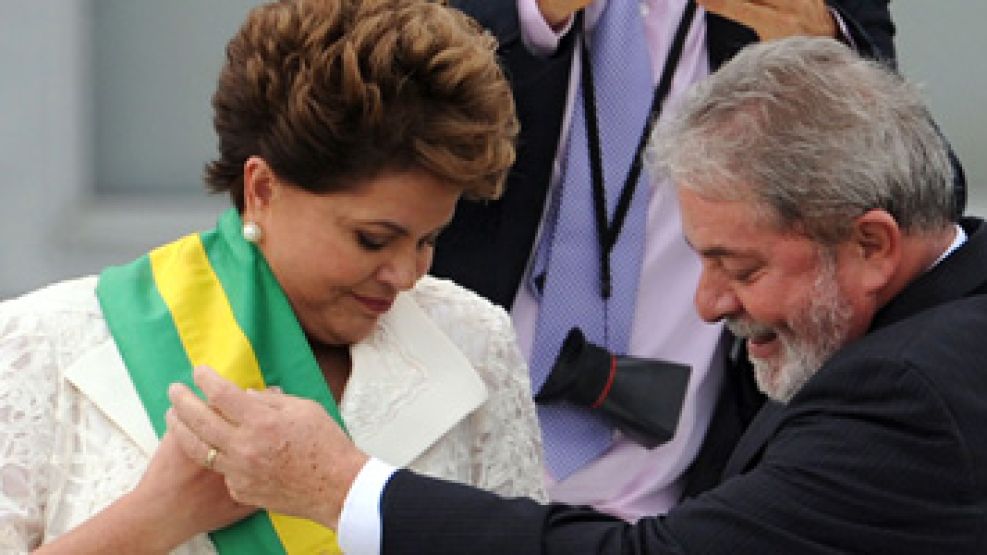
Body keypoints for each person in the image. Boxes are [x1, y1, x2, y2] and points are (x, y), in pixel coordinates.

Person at [170, 37, 987, 553]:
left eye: (738, 267)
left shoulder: (906, 390)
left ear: (873, 243)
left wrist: (339, 485)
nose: (707, 305)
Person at [0, 0, 546, 552]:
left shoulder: (472, 339)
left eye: (428, 240)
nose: (406, 274)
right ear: (262, 189)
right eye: (372, 239)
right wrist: (155, 516)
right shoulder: (39, 343)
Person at [431, 0, 902, 518]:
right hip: (437, 468)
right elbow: (355, 106)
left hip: (685, 503)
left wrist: (828, 56)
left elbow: (925, 200)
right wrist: (525, 15)